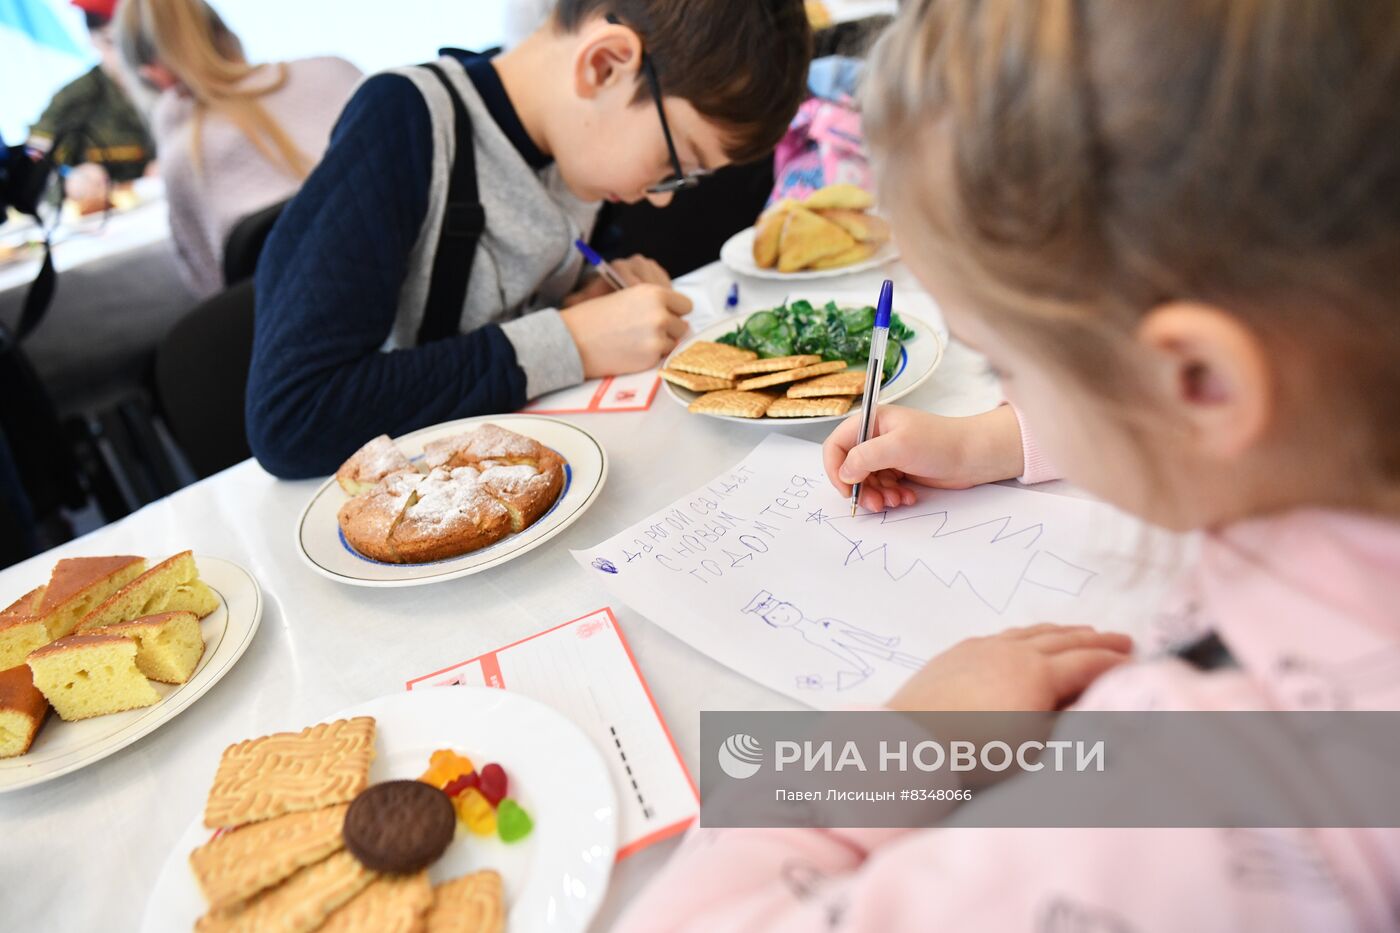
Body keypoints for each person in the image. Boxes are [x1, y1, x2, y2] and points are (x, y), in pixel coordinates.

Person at [616, 1, 1400, 929]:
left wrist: (903, 745)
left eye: (1007, 362)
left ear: (1198, 379)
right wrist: (994, 439)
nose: (1005, 385)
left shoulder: (1191, 798)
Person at [247, 0, 812, 478]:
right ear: (605, 64)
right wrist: (572, 340)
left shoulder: (578, 145)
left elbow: (534, 278)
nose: (661, 198)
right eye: (672, 163)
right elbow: (294, 416)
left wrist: (595, 292)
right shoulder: (406, 123)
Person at [115, 0, 362, 298]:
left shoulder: (185, 156)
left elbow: (210, 289)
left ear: (155, 76)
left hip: (304, 325)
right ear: (226, 32)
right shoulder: (336, 72)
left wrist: (169, 123)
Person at [27, 0, 156, 209]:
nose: (125, 54)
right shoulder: (74, 97)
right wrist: (69, 181)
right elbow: (31, 169)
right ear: (92, 40)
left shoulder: (162, 82)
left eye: (132, 41)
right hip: (103, 218)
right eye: (111, 42)